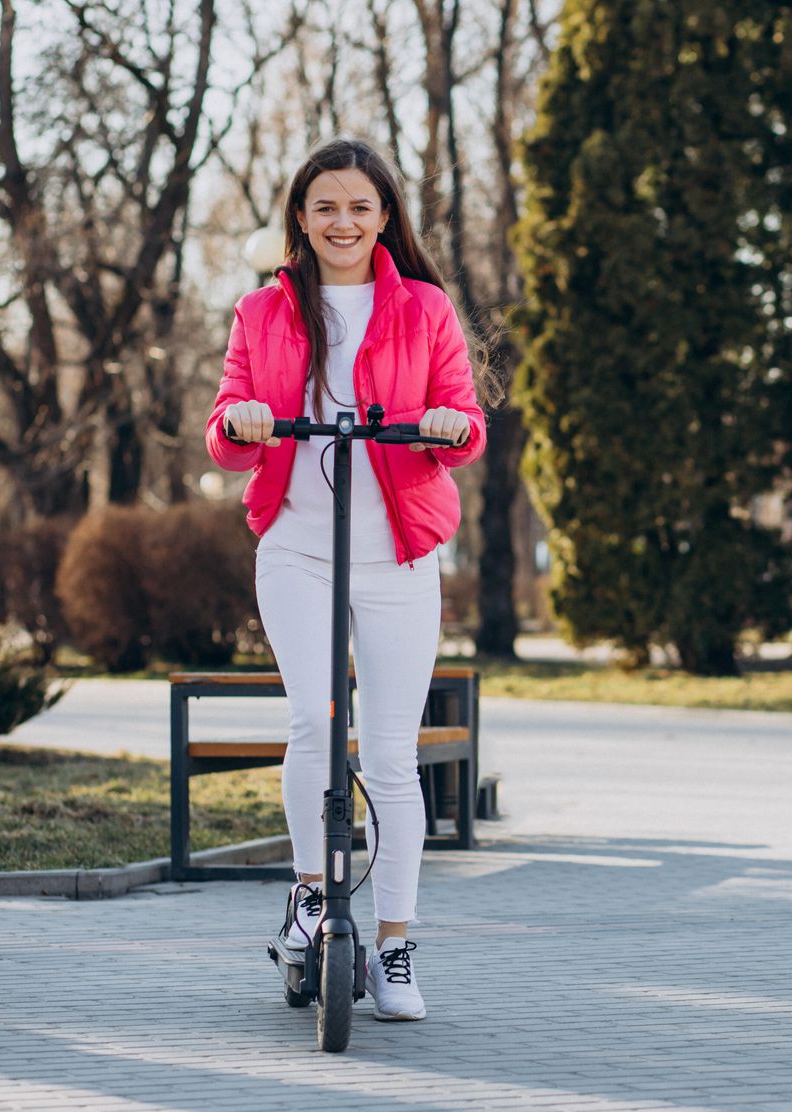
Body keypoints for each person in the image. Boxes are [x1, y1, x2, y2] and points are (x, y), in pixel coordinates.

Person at [206, 137, 499, 1022]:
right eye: (325, 206)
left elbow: (468, 421)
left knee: (393, 755)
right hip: (297, 545)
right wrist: (247, 420)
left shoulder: (424, 309)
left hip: (399, 553)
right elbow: (223, 431)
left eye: (360, 207)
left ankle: (397, 944)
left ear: (385, 218)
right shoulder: (262, 310)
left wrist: (450, 425)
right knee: (310, 719)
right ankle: (308, 891)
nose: (343, 222)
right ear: (300, 216)